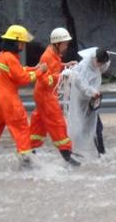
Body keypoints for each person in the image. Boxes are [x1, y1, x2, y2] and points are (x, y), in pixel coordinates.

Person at [0, 25, 47, 166]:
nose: (23, 45)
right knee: (21, 129)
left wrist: (35, 68)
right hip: (10, 101)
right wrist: (39, 72)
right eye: (22, 42)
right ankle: (26, 161)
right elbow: (22, 79)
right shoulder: (10, 58)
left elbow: (19, 70)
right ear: (15, 42)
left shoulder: (2, 56)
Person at [29, 27, 80, 166]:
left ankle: (27, 152)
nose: (67, 45)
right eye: (65, 43)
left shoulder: (54, 54)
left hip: (44, 95)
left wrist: (65, 66)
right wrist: (63, 75)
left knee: (38, 124)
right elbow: (45, 80)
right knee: (58, 123)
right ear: (58, 43)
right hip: (46, 96)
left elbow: (55, 68)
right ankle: (67, 156)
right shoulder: (47, 56)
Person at [63, 47, 110, 155]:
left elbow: (103, 68)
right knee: (81, 126)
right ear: (95, 58)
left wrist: (108, 59)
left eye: (102, 63)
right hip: (82, 101)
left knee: (96, 127)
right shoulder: (84, 66)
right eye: (99, 63)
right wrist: (92, 92)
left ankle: (101, 152)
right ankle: (72, 149)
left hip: (92, 101)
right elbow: (80, 84)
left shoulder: (98, 64)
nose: (100, 65)